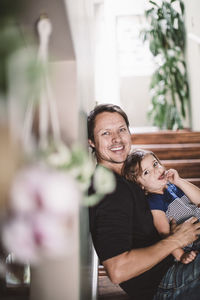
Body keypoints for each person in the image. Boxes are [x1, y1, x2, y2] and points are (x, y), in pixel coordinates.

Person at [88, 103, 200, 300]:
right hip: (165, 282)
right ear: (91, 142)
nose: (117, 139)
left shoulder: (131, 176)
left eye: (121, 129)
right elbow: (117, 270)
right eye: (106, 133)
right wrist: (175, 240)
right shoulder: (110, 190)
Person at [122, 148, 200, 265]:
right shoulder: (154, 202)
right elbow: (165, 234)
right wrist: (181, 255)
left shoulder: (173, 185)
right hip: (193, 239)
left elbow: (198, 199)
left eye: (155, 164)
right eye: (146, 172)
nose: (156, 170)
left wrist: (178, 181)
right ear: (140, 185)